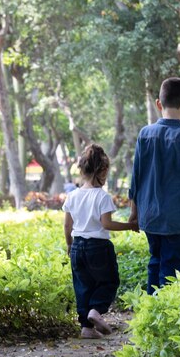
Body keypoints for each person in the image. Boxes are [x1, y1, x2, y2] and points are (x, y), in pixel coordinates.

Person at [128, 77, 180, 295]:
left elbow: (135, 177)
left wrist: (134, 212)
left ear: (159, 104)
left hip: (149, 215)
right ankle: (163, 316)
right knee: (172, 268)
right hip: (175, 219)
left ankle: (150, 310)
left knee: (155, 261)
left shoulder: (144, 135)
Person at [63, 144, 138, 339]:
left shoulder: (72, 196)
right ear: (103, 171)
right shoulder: (102, 197)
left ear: (82, 170)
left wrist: (69, 244)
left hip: (78, 245)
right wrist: (131, 226)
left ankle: (86, 328)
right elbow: (107, 224)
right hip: (99, 247)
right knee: (109, 281)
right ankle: (96, 311)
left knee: (82, 285)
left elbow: (67, 226)